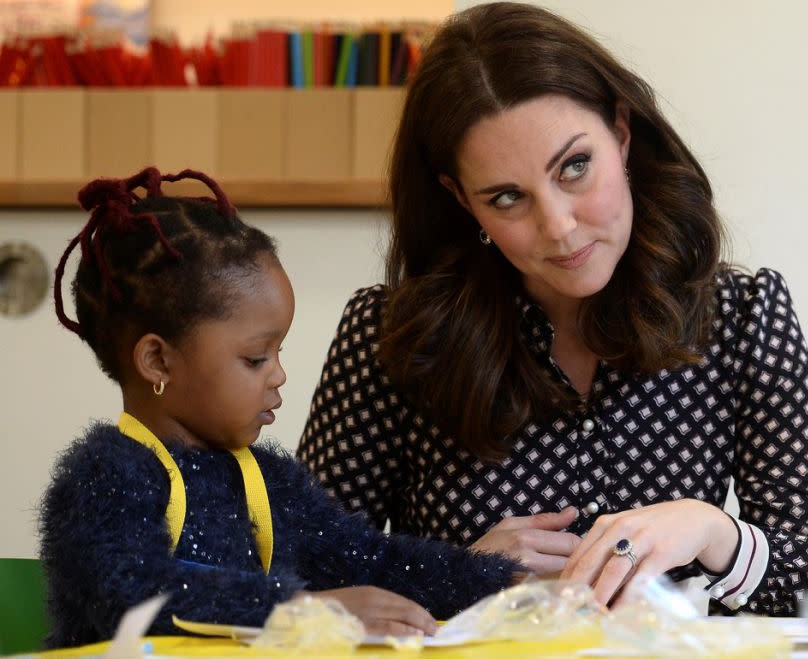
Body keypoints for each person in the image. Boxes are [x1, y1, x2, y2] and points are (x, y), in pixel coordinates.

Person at [298, 2, 808, 616]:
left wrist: (711, 530)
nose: (560, 228)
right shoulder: (390, 337)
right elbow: (295, 582)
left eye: (576, 167)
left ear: (621, 134)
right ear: (461, 200)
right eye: (508, 197)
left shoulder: (742, 316)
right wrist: (453, 576)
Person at [40, 167, 521, 649]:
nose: (278, 375)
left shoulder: (272, 482)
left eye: (279, 353)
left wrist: (506, 585)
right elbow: (132, 593)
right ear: (157, 360)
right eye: (255, 358)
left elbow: (372, 561)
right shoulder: (104, 476)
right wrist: (301, 608)